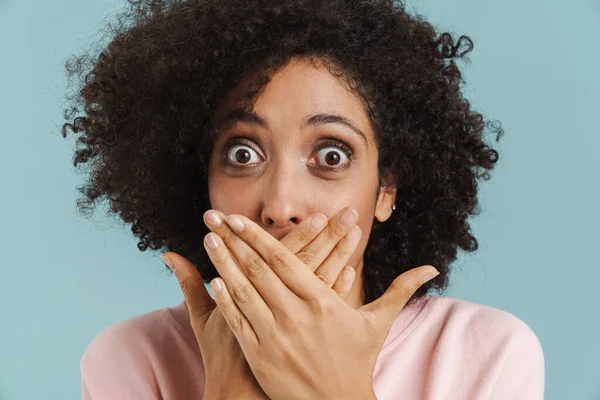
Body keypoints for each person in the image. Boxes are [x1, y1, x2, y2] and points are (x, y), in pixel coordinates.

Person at [61, 0, 545, 398]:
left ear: (385, 190)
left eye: (331, 156)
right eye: (243, 152)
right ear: (199, 183)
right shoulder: (129, 358)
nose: (280, 205)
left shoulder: (487, 355)